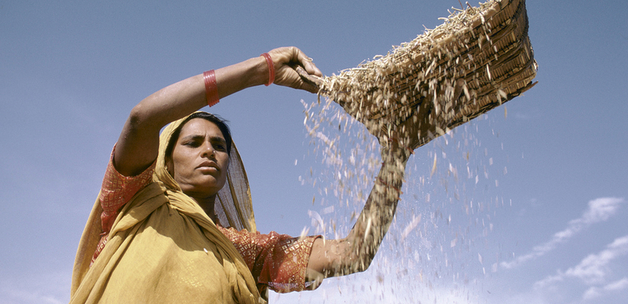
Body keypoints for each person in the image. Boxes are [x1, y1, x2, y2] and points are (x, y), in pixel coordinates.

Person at [70, 47, 420, 303]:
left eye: (219, 146)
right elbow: (141, 118)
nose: (209, 150)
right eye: (193, 142)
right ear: (166, 158)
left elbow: (352, 254)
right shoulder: (135, 201)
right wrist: (262, 70)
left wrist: (396, 155)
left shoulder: (242, 250)